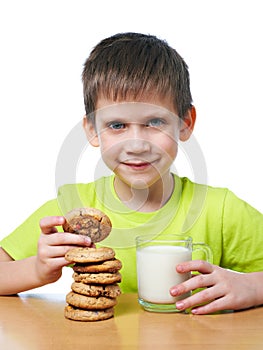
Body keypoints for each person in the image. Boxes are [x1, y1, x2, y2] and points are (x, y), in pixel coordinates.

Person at [0, 32, 262, 315]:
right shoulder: (72, 209)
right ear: (92, 130)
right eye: (117, 125)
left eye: (155, 122)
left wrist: (254, 286)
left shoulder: (220, 210)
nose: (136, 145)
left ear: (185, 123)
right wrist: (36, 270)